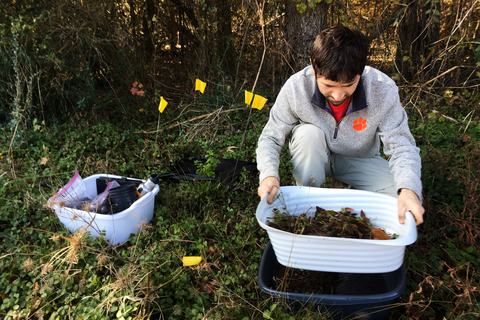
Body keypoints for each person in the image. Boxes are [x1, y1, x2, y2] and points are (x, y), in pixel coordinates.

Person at [256, 25, 425, 225]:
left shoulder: (382, 90)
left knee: (399, 201)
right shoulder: (296, 87)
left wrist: (408, 189)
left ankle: (347, 194)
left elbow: (402, 145)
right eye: (328, 85)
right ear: (314, 67)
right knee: (307, 134)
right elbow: (271, 137)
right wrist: (268, 176)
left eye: (348, 86)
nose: (337, 95)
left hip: (359, 160)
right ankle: (310, 204)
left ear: (360, 73)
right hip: (315, 157)